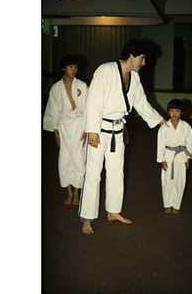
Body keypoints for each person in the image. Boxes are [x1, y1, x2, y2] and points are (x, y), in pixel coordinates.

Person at [79, 39, 168, 234]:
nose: (143, 63)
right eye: (142, 58)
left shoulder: (134, 78)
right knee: (94, 174)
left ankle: (113, 211)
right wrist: (92, 130)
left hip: (118, 130)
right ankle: (87, 217)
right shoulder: (106, 70)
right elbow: (92, 100)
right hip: (99, 130)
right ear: (132, 56)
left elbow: (141, 103)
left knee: (116, 172)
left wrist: (161, 120)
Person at [43, 55, 88, 205]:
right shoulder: (56, 88)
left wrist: (87, 129)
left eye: (75, 66)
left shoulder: (82, 85)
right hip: (63, 126)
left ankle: (77, 193)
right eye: (70, 66)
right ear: (63, 68)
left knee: (79, 158)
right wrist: (56, 133)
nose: (74, 69)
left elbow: (88, 109)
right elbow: (53, 111)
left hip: (79, 124)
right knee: (64, 159)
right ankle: (69, 193)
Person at [157, 99, 192, 214]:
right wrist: (162, 159)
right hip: (168, 157)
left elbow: (189, 142)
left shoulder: (187, 127)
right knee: (167, 182)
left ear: (182, 112)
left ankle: (176, 205)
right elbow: (160, 144)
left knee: (180, 182)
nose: (174, 113)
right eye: (172, 110)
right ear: (168, 112)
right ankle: (168, 204)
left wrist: (188, 158)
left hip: (181, 156)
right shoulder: (164, 127)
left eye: (177, 111)